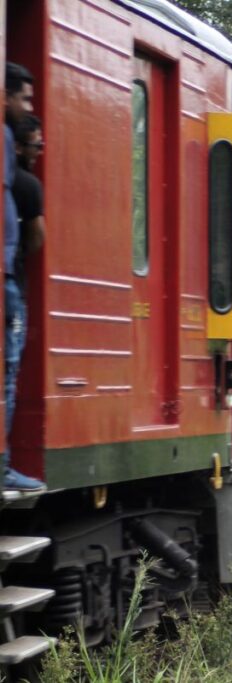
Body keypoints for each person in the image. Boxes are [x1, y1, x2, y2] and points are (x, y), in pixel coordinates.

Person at [2, 63, 43, 492]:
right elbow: (36, 238)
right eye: (25, 98)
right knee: (7, 372)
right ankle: (2, 464)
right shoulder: (28, 184)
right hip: (8, 282)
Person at [13, 115, 44, 267]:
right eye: (37, 146)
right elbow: (37, 238)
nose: (39, 152)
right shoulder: (29, 185)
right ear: (18, 148)